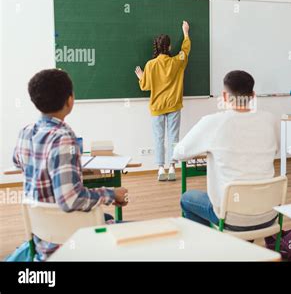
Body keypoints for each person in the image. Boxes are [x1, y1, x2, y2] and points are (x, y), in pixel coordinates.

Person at [12, 69, 128, 261]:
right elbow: (70, 200)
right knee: (132, 228)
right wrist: (111, 193)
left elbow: (18, 161)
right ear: (70, 100)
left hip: (43, 241)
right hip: (68, 247)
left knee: (105, 217)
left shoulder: (25, 133)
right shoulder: (64, 138)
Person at [173, 70, 280, 230]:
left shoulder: (212, 122)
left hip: (231, 218)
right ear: (253, 96)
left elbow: (179, 153)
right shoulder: (270, 120)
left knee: (187, 199)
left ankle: (213, 244)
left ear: (224, 96)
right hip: (269, 215)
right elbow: (276, 149)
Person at [135, 21, 191, 182]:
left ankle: (160, 169)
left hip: (157, 107)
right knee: (174, 137)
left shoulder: (150, 65)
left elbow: (145, 86)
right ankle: (173, 166)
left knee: (158, 137)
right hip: (174, 105)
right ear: (170, 47)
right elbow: (185, 51)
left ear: (157, 47)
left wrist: (141, 77)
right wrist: (186, 33)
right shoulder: (177, 61)